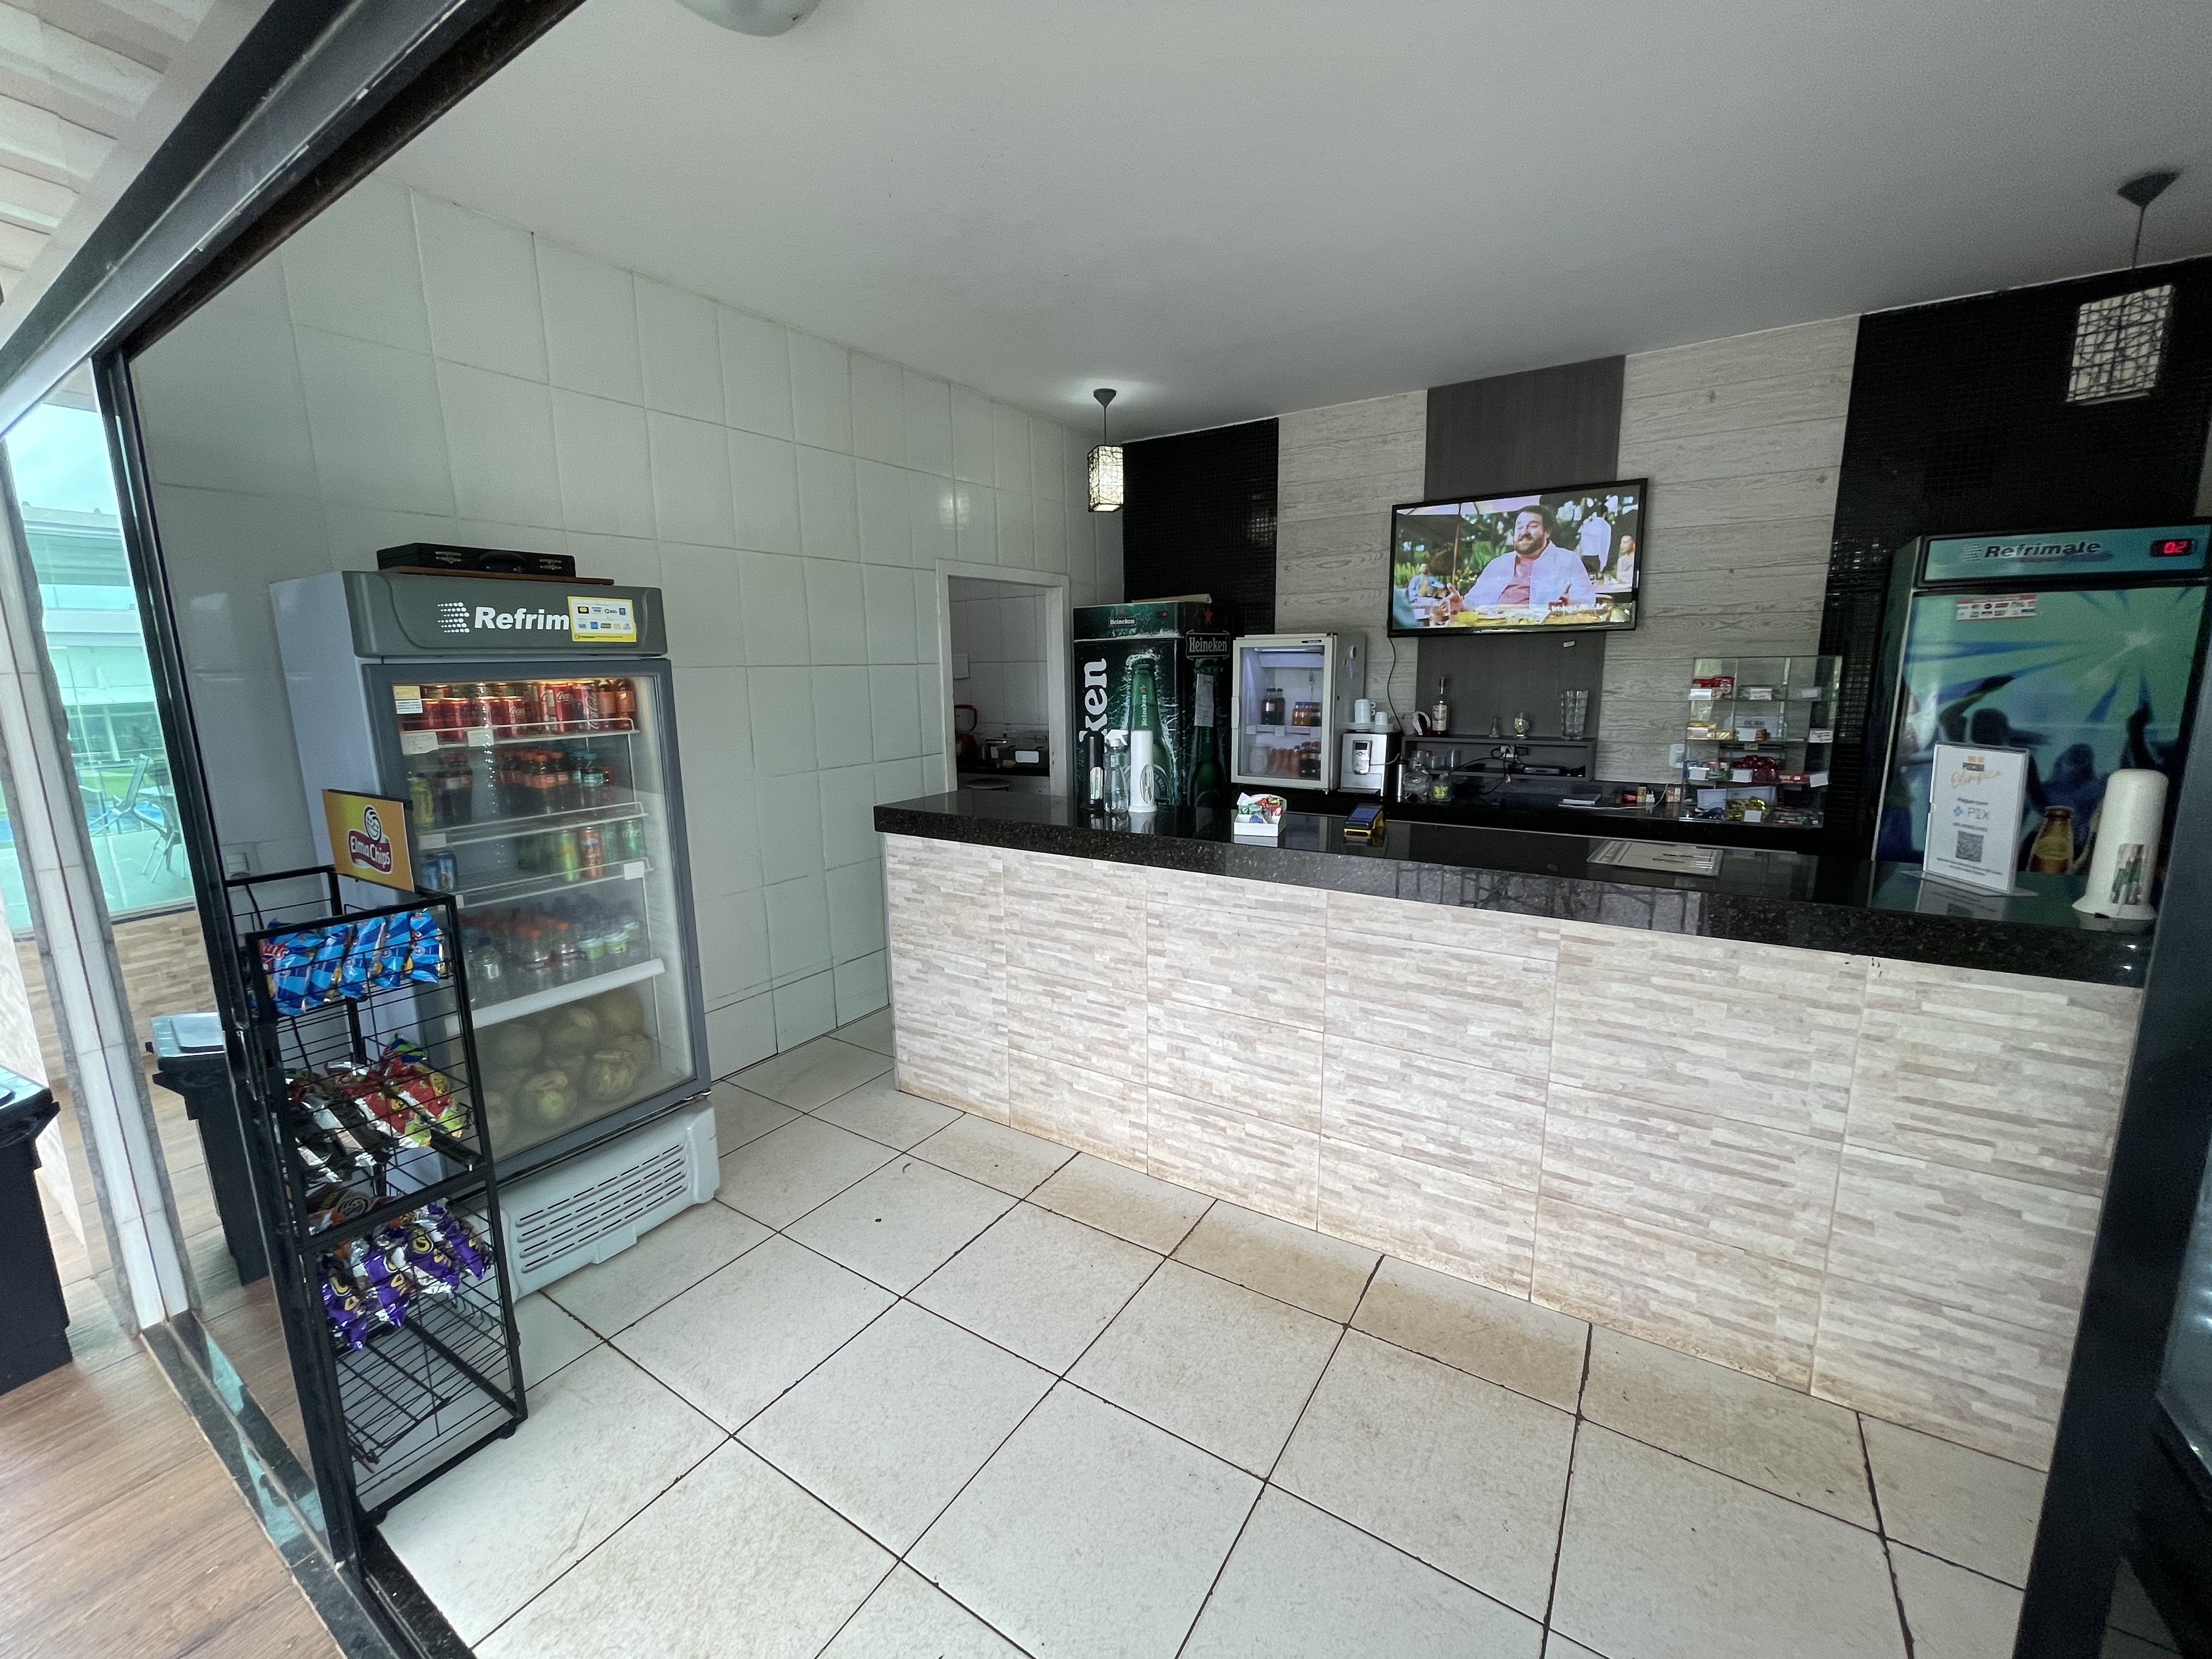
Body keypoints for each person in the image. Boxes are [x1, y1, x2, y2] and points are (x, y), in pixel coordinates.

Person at [1465, 506, 1599, 611]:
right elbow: (1471, 603)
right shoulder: (1498, 564)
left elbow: (1585, 602)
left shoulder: (1567, 560)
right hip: (1492, 629)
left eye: (1533, 526)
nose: (1524, 532)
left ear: (1548, 532)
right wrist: (1459, 605)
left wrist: (1567, 605)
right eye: (1519, 527)